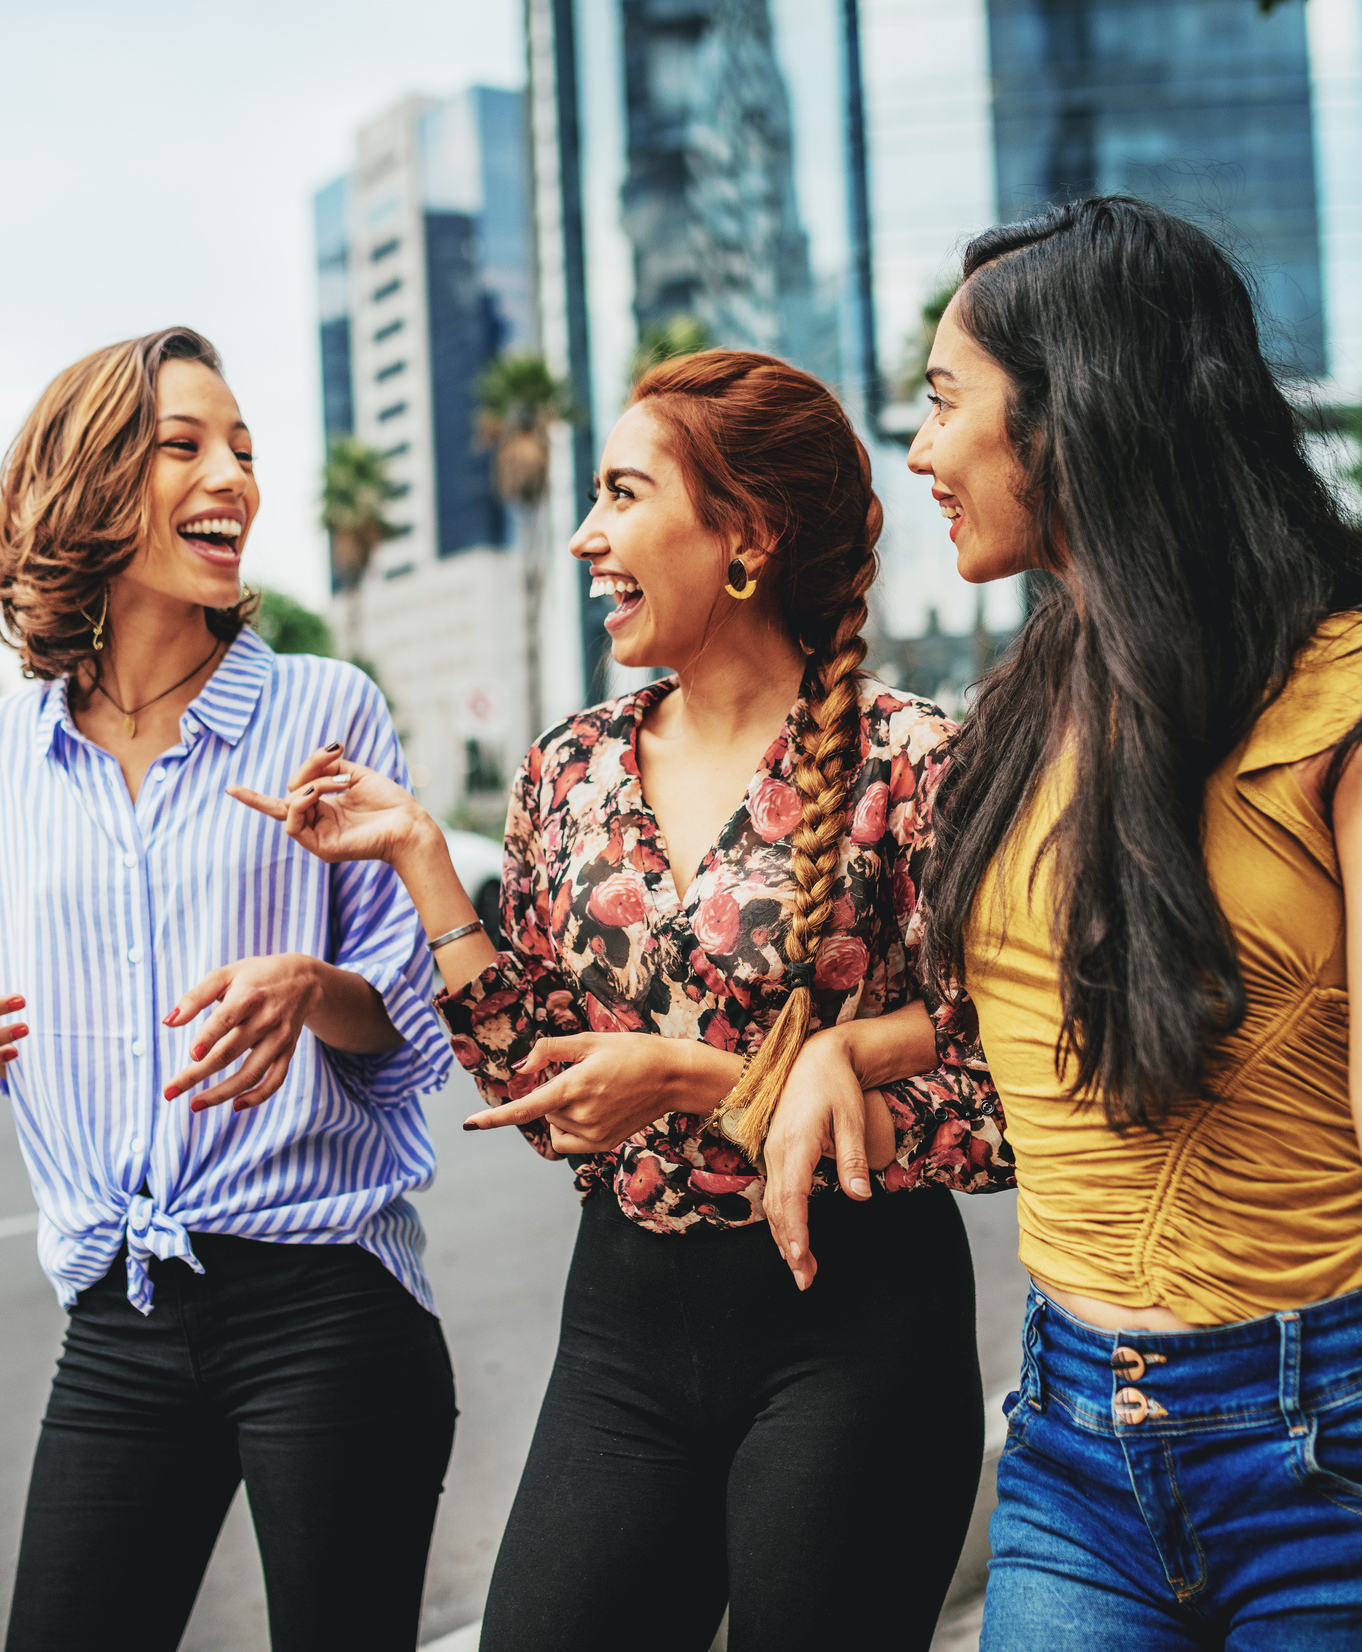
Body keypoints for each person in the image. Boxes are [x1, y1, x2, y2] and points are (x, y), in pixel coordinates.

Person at [231, 350, 1010, 1652]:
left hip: (856, 1331)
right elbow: (542, 1099)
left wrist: (694, 1079)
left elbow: (996, 1101)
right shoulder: (569, 770)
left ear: (745, 535)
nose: (590, 534)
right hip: (624, 1334)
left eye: (623, 495)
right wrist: (425, 859)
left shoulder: (917, 763)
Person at [904, 198, 1362, 1651]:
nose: (923, 451)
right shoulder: (1030, 704)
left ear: (1076, 413)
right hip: (1072, 1440)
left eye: (947, 404)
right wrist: (845, 1056)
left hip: (1343, 1434)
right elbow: (1051, 1010)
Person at [0, 326, 455, 1652]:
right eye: (186, 445)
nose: (234, 480)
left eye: (244, 451)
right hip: (119, 1306)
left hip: (325, 1303)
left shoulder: (326, 711)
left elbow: (408, 1026)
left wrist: (312, 987)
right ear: (87, 483)